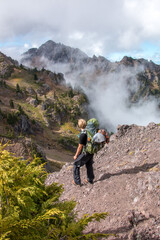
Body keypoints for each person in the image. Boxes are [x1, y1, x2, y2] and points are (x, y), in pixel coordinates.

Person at [73, 119, 94, 186]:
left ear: (79, 126)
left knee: (76, 165)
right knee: (89, 165)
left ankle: (77, 181)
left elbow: (80, 147)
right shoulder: (89, 132)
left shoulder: (82, 135)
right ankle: (90, 179)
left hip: (85, 152)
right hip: (91, 151)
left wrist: (76, 155)